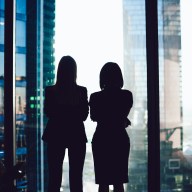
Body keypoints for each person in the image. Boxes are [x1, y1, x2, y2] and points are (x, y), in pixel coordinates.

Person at [42, 56, 89, 192]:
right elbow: (83, 115)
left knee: (54, 178)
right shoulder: (81, 91)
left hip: (55, 135)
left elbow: (49, 112)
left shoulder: (51, 91)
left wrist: (62, 110)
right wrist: (72, 110)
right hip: (76, 135)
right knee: (76, 178)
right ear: (74, 71)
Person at [89, 62, 133, 192]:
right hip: (119, 138)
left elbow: (94, 117)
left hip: (102, 138)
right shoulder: (126, 95)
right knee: (118, 182)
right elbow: (121, 116)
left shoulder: (95, 97)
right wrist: (122, 120)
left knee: (103, 182)